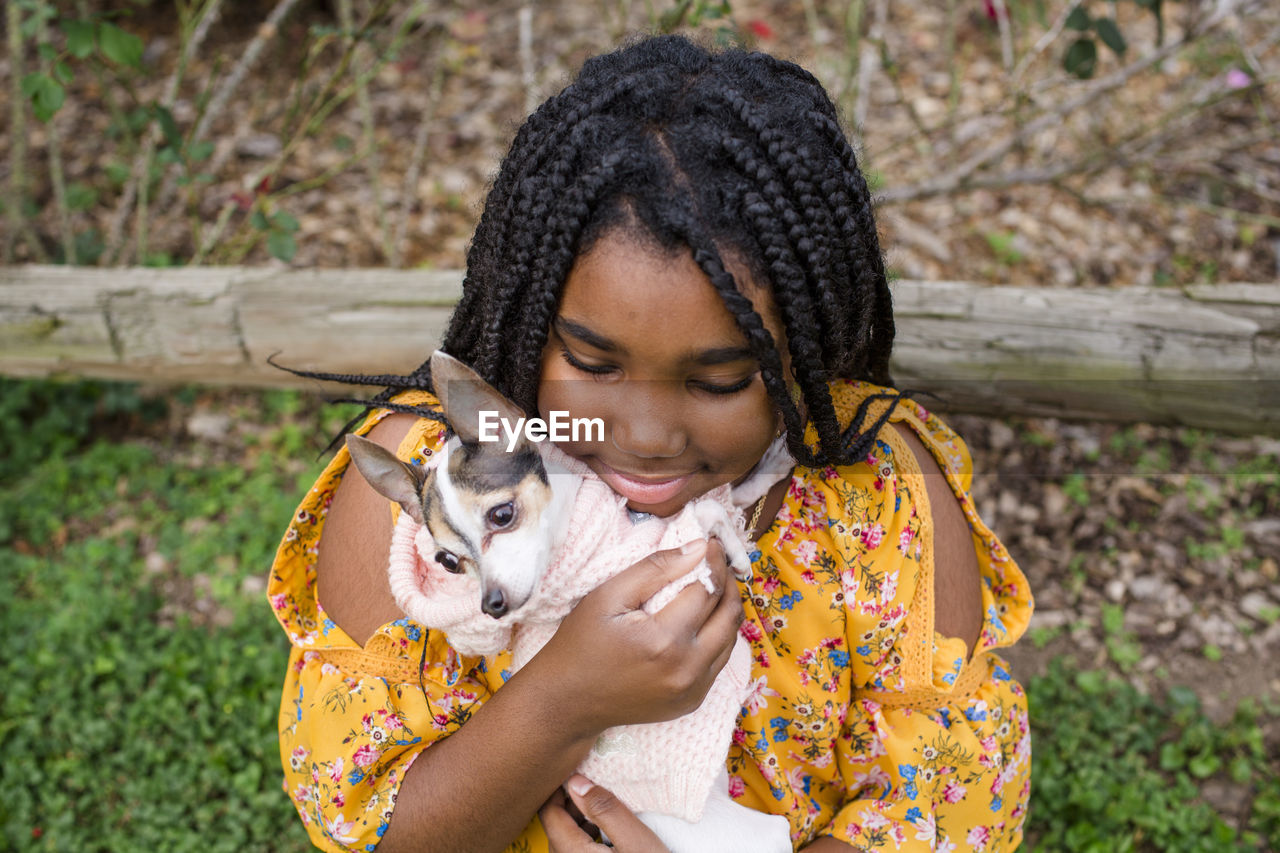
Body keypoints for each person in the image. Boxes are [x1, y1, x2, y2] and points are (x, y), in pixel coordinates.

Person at [267, 34, 1033, 853]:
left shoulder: (875, 501)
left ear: (803, 343)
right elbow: (373, 827)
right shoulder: (436, 492)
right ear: (529, 313)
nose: (644, 435)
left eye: (719, 381)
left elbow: (945, 815)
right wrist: (565, 699)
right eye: (594, 363)